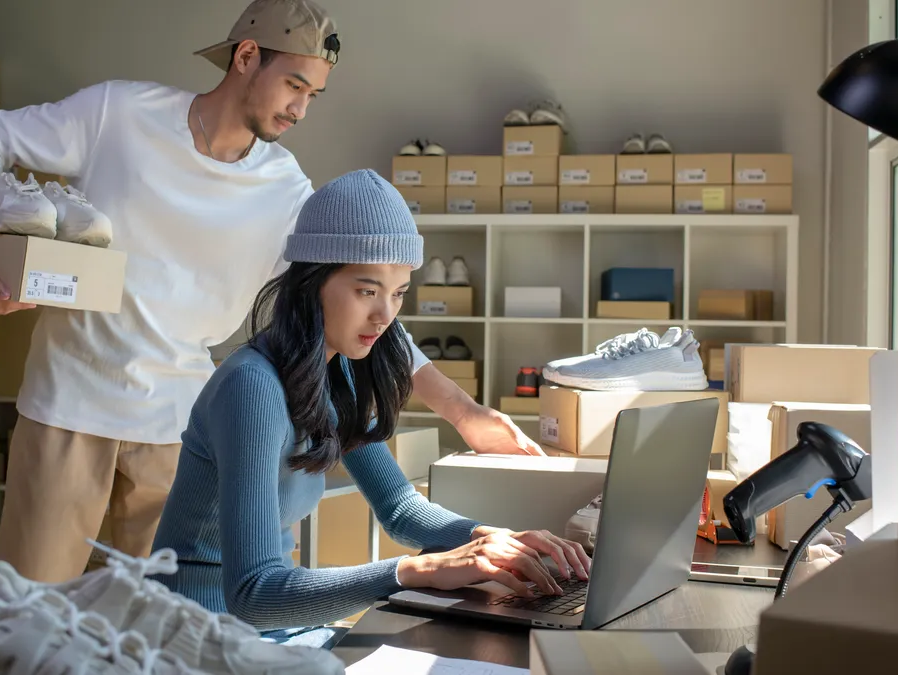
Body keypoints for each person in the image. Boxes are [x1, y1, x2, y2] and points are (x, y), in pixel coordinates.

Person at [0, 0, 543, 584]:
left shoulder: (284, 190)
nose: (301, 109)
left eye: (313, 95)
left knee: (152, 633)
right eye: (294, 85)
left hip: (178, 432)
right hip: (69, 409)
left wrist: (465, 413)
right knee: (22, 621)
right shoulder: (119, 114)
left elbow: (364, 302)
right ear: (247, 56)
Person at [150, 170, 590, 648]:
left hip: (274, 629)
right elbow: (253, 593)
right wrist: (415, 570)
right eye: (367, 290)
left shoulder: (334, 371)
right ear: (311, 282)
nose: (385, 315)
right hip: (200, 635)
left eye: (398, 293)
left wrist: (492, 539)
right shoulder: (251, 387)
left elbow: (400, 508)